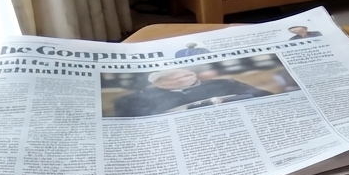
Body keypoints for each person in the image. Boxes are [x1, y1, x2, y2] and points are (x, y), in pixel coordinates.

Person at [111, 68, 272, 117]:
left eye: (184, 73)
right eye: (171, 77)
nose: (182, 77)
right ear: (156, 82)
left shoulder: (224, 83)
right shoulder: (131, 100)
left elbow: (265, 97)